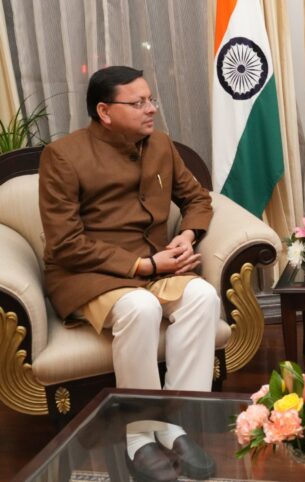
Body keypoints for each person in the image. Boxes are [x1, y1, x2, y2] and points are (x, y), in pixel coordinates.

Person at [39, 66, 219, 481]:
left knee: (203, 297)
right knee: (140, 307)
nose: (150, 108)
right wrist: (145, 266)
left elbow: (197, 199)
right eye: (138, 103)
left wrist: (187, 235)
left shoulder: (161, 145)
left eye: (150, 99)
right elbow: (65, 243)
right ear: (105, 111)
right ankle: (139, 436)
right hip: (90, 272)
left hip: (156, 265)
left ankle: (174, 425)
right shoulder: (63, 155)